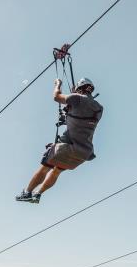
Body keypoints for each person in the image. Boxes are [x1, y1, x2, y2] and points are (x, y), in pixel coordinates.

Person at [16, 76, 103, 204]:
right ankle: (38, 194)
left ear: (79, 89)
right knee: (57, 171)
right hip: (83, 153)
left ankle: (27, 192)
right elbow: (79, 122)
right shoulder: (99, 108)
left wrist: (58, 84)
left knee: (46, 166)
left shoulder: (77, 98)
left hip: (69, 148)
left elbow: (56, 96)